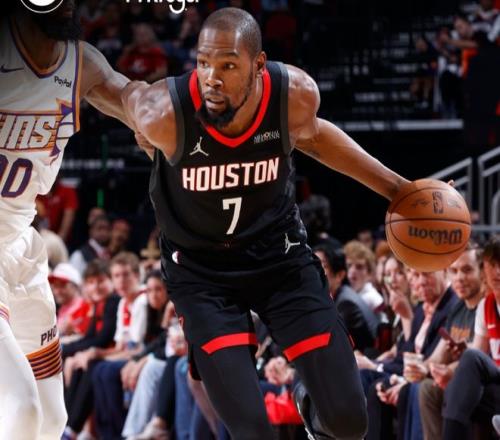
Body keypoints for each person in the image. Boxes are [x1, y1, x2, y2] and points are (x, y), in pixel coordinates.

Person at [122, 7, 413, 440]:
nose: (212, 77)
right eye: (203, 63)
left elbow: (316, 137)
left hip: (280, 259)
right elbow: (114, 89)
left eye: (228, 65)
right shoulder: (166, 111)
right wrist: (76, 70)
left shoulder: (292, 96)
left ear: (258, 65)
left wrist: (399, 189)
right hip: (202, 275)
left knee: (348, 422)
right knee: (253, 430)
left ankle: (308, 402)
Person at [0, 1, 147, 438]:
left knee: (51, 419)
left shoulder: (81, 63)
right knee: (21, 410)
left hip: (21, 245)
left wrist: (165, 119)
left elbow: (133, 98)